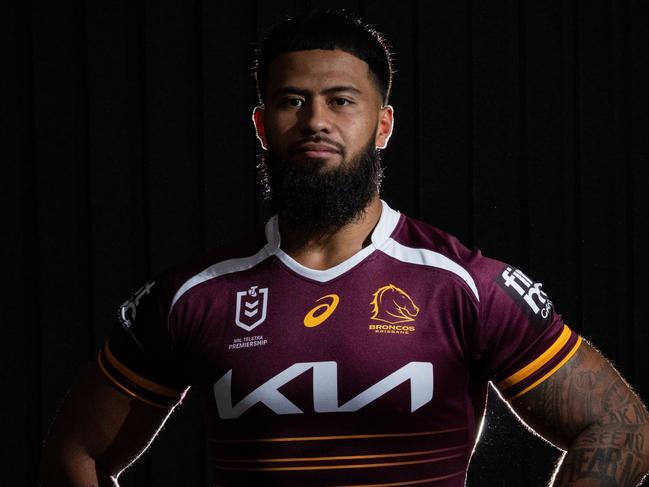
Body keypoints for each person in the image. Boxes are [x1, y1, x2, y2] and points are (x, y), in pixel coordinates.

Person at [40, 10, 649, 487]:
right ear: (261, 125)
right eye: (291, 101)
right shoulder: (194, 295)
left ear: (382, 124)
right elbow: (76, 449)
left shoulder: (462, 284)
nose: (315, 121)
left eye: (341, 100)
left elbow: (620, 425)